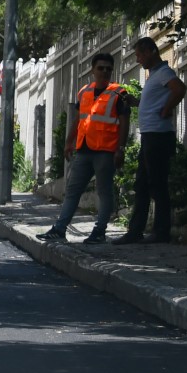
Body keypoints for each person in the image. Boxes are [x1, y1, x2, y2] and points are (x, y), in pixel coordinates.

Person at [35, 52, 130, 245]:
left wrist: (120, 149)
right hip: (84, 150)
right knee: (72, 190)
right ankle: (60, 229)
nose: (104, 72)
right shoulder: (85, 91)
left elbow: (124, 122)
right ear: (93, 70)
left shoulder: (119, 93)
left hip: (105, 151)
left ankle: (99, 232)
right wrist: (68, 142)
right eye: (100, 68)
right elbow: (78, 120)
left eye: (108, 69)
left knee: (104, 192)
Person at [115, 37, 186, 244]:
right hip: (150, 136)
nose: (138, 60)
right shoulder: (154, 75)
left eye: (139, 55)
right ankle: (136, 231)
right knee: (143, 184)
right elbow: (155, 100)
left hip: (158, 136)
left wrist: (167, 109)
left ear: (151, 52)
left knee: (157, 184)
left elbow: (180, 89)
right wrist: (136, 102)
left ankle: (161, 232)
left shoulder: (164, 73)